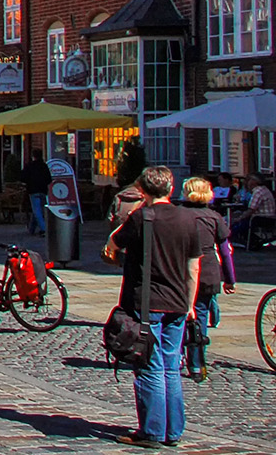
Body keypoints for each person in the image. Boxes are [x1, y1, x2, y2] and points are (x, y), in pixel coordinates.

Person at [102, 165, 203, 448]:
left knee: (149, 367)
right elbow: (194, 267)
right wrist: (190, 303)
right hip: (178, 302)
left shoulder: (141, 218)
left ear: (143, 192)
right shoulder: (188, 218)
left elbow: (113, 243)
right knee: (171, 367)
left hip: (146, 303)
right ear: (171, 188)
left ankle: (153, 431)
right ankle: (173, 431)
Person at [180, 176, 235, 382]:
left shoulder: (179, 214)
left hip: (181, 269)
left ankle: (176, 357)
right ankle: (196, 364)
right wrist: (230, 278)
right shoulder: (214, 217)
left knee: (178, 315)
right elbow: (225, 251)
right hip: (208, 271)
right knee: (200, 318)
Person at [232, 173, 275, 244]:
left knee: (240, 222)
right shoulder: (264, 189)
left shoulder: (258, 192)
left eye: (248, 180)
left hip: (262, 218)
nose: (246, 182)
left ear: (254, 182)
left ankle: (236, 239)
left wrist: (239, 218)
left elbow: (251, 209)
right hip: (268, 217)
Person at [22, 148, 52, 235]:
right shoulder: (44, 166)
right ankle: (31, 229)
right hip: (43, 191)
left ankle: (44, 228)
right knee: (38, 210)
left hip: (33, 191)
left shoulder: (29, 166)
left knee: (37, 211)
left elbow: (23, 178)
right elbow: (49, 179)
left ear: (33, 156)